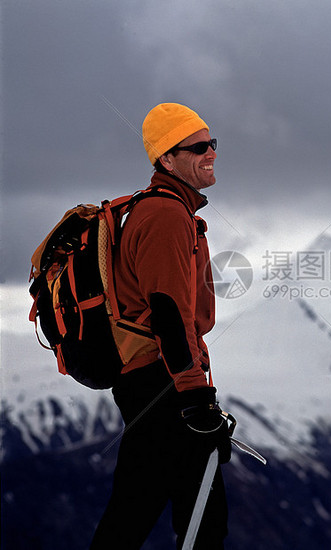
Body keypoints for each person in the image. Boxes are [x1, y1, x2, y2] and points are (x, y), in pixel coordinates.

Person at [90, 103, 231, 549]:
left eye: (212, 143)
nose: (210, 153)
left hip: (156, 383)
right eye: (197, 147)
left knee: (139, 512)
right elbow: (169, 312)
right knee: (200, 524)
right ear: (167, 160)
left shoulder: (167, 211)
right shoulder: (166, 215)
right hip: (164, 386)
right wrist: (195, 399)